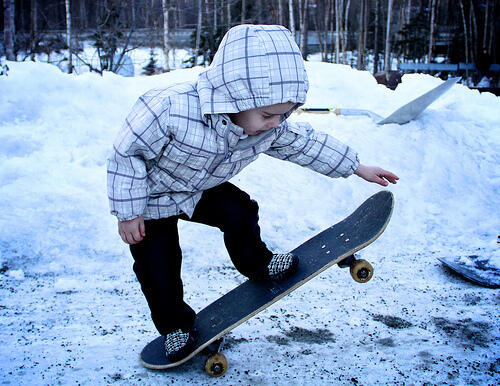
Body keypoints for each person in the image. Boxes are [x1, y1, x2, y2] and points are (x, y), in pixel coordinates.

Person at [107, 24, 399, 362]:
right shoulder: (170, 109)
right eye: (267, 115)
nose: (275, 123)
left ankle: (259, 264)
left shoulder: (267, 127)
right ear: (235, 97)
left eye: (283, 114)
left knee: (240, 210)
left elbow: (303, 143)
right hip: (151, 200)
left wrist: (356, 166)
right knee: (159, 267)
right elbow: (126, 153)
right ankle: (175, 327)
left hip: (199, 188)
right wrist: (128, 211)